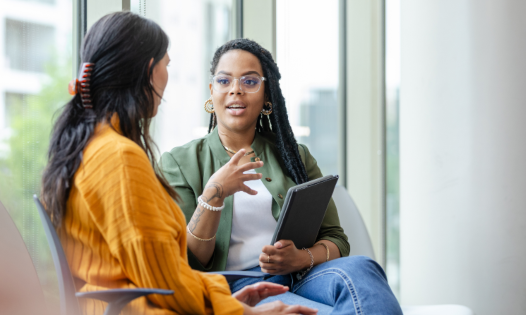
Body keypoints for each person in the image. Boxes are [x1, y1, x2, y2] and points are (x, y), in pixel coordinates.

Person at [40, 12, 318, 315]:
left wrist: (225, 302)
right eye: (167, 65)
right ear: (150, 70)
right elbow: (166, 283)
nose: (236, 90)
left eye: (249, 81)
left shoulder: (92, 147)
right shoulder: (119, 158)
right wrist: (242, 313)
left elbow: (163, 276)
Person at [160, 38, 403, 314]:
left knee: (363, 268)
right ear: (211, 91)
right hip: (238, 287)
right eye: (224, 81)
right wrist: (215, 191)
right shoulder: (178, 163)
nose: (235, 90)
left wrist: (299, 258)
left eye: (249, 82)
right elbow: (191, 260)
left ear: (267, 95)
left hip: (302, 276)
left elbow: (336, 240)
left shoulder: (294, 155)